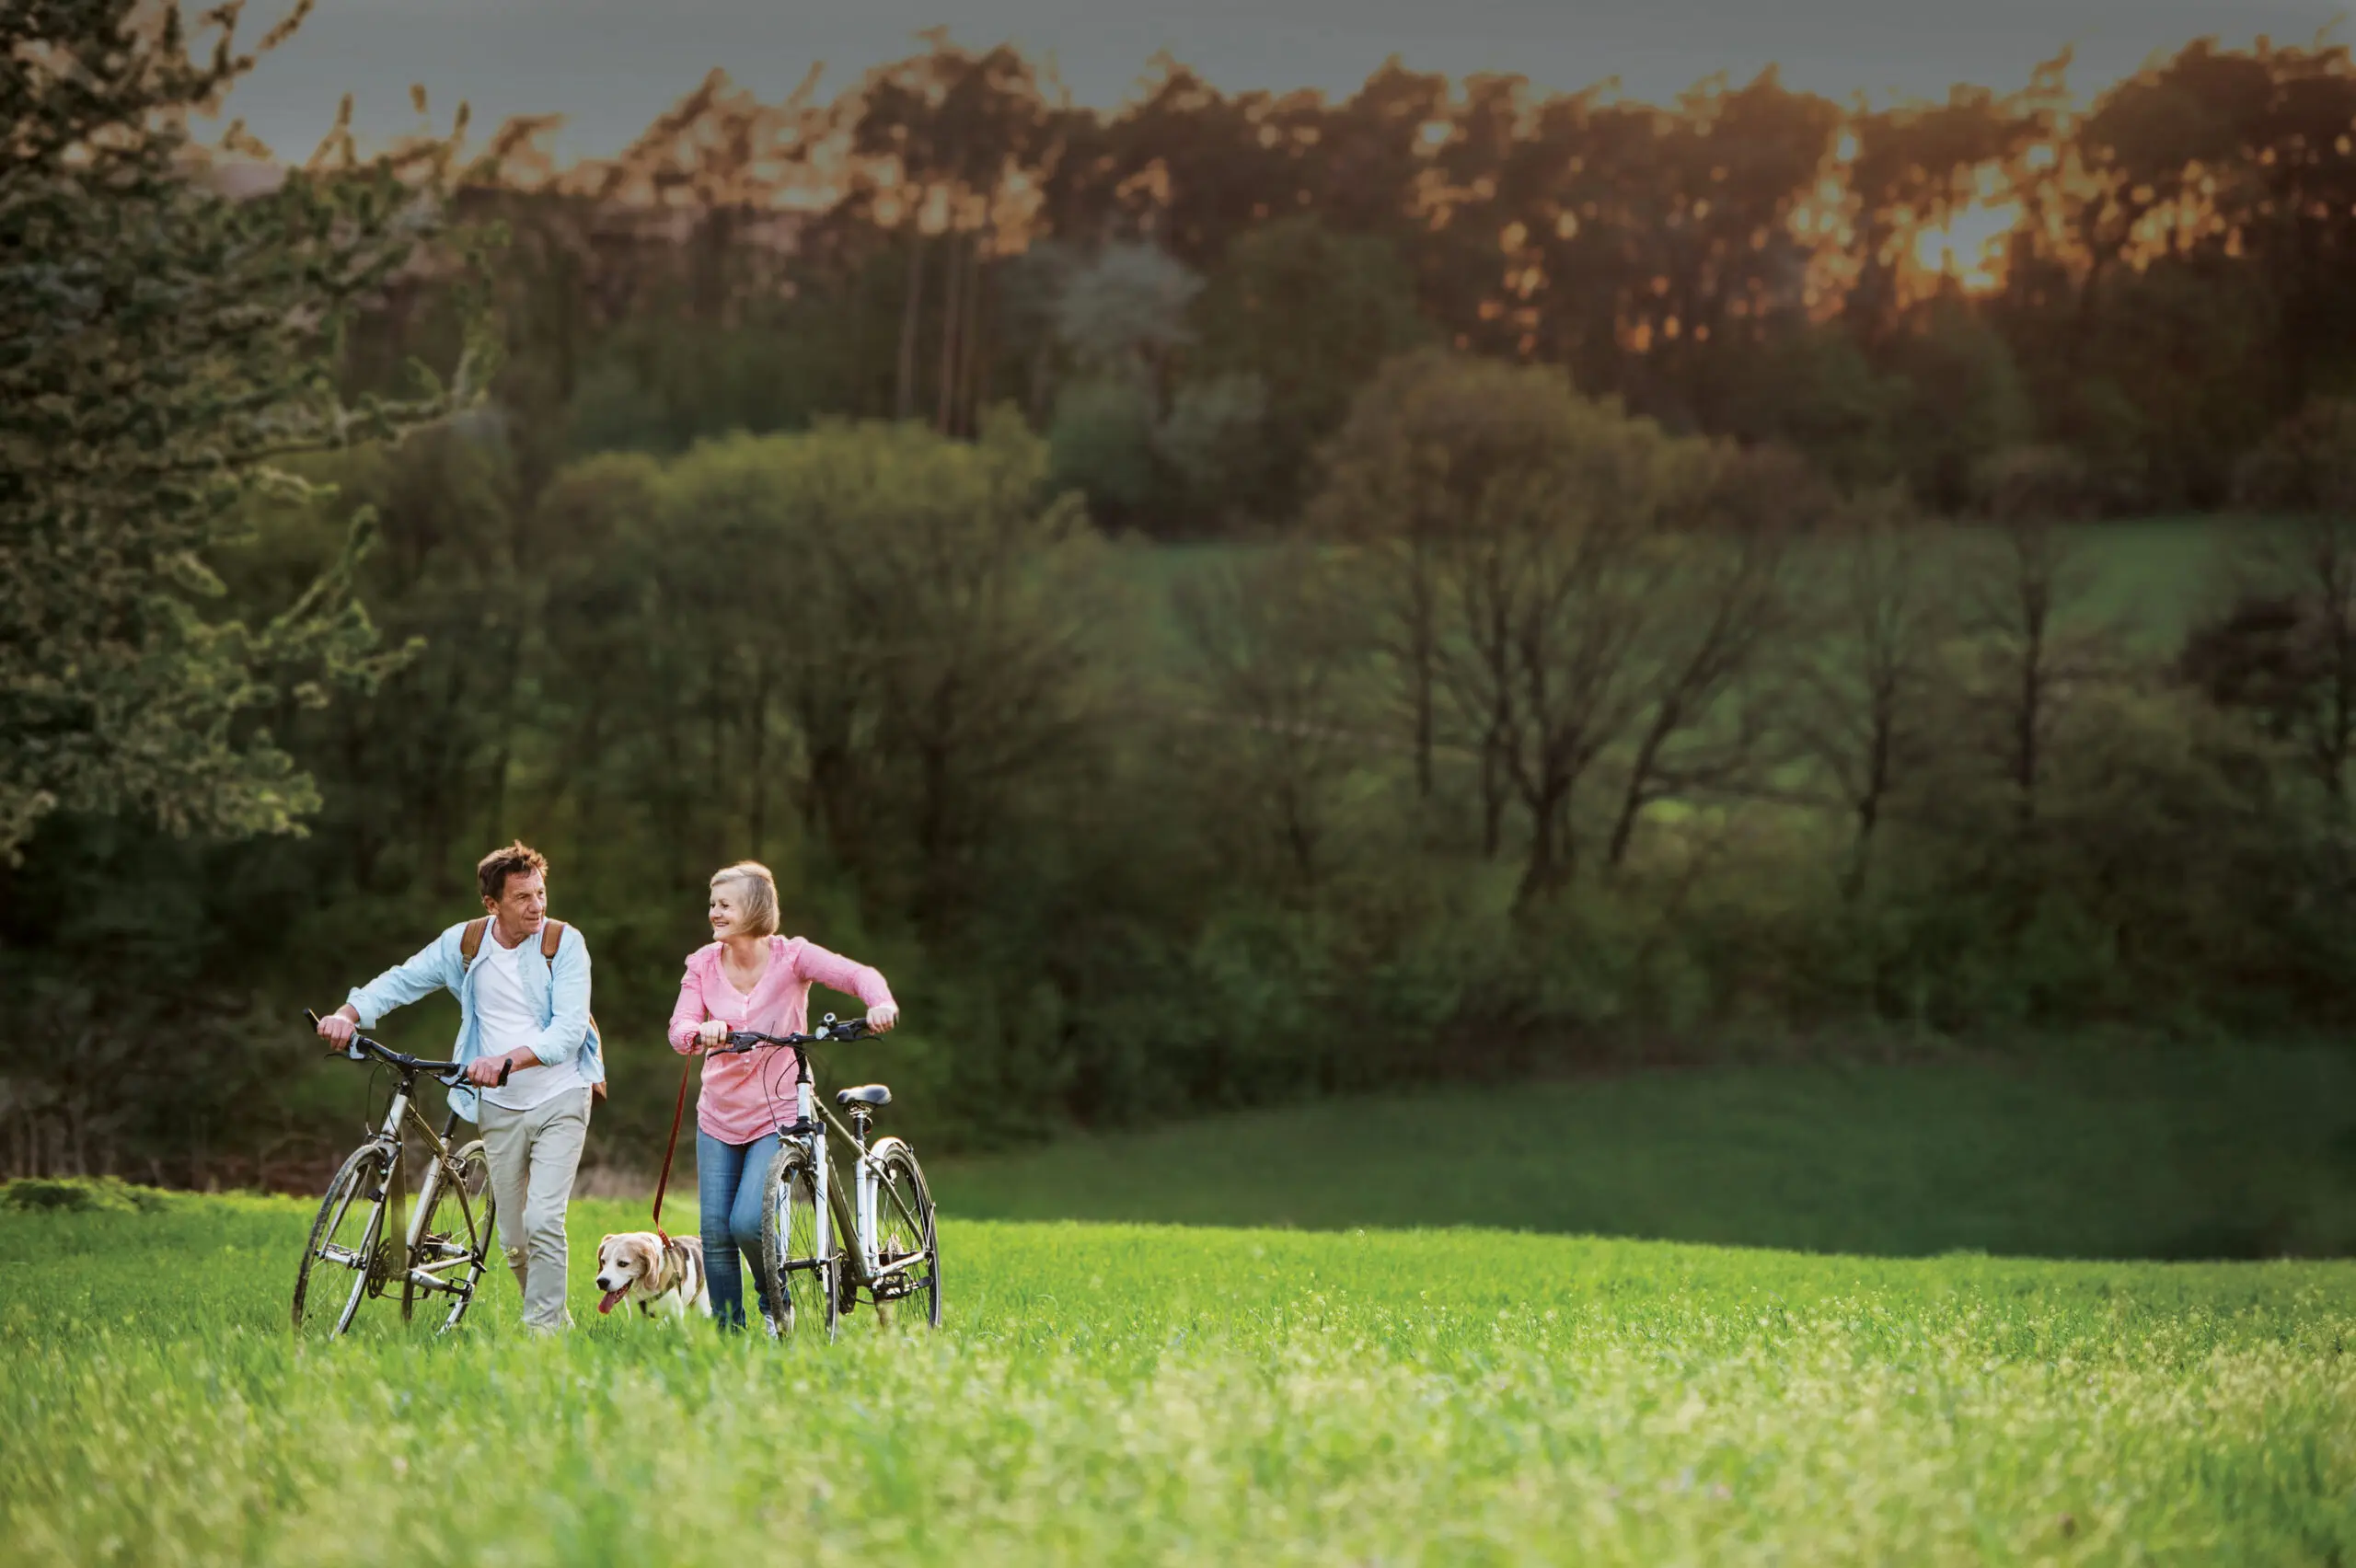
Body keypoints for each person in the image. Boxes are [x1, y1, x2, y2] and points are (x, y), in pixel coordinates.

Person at [316, 840, 603, 1333]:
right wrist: (349, 1013)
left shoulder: (563, 943)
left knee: (543, 1222)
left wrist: (505, 1060)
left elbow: (569, 1031)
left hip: (561, 1093)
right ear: (492, 905)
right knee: (514, 1239)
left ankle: (545, 1336)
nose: (537, 906)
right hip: (497, 1105)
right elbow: (402, 981)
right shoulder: (466, 944)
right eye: (522, 898)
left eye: (540, 893)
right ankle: (557, 1320)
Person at [667, 860, 897, 1332]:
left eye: (724, 904)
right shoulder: (703, 964)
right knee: (714, 1233)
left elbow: (858, 975)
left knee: (749, 1222)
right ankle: (730, 1335)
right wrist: (701, 1030)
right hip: (718, 1113)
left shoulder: (794, 957)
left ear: (754, 909)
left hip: (777, 1110)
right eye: (712, 903)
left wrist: (880, 1003)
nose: (713, 912)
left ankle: (775, 1306)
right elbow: (679, 1028)